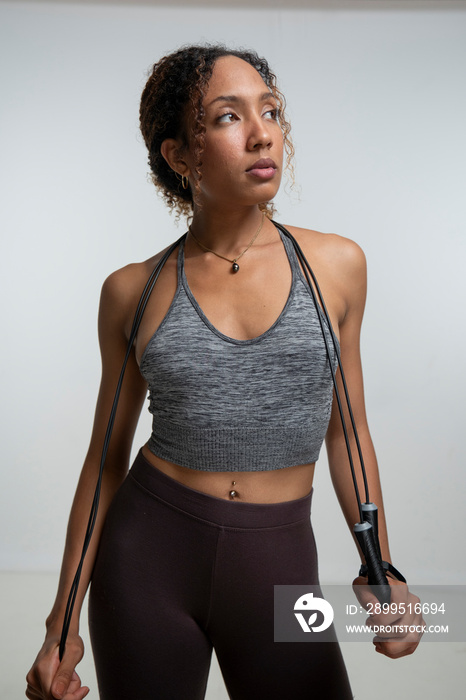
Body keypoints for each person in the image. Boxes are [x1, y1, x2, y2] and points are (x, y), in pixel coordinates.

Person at [26, 44, 422, 700]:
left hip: (279, 566)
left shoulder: (336, 267)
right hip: (146, 564)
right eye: (228, 117)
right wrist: (61, 625)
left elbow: (346, 433)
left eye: (271, 110)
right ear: (180, 155)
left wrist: (381, 568)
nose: (263, 131)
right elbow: (104, 461)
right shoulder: (133, 290)